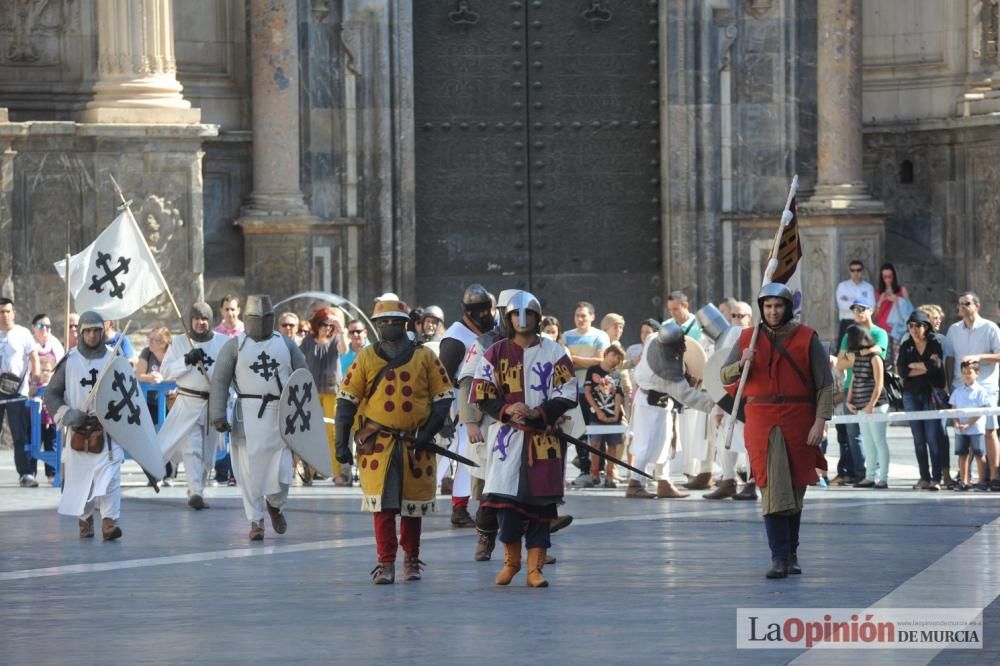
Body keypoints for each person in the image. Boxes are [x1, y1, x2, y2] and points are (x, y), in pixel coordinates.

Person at [334, 295, 453, 584]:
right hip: (379, 444)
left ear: (405, 324)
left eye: (394, 321)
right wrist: (341, 442)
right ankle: (386, 563)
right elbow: (347, 400)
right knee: (384, 508)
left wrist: (428, 431)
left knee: (412, 507)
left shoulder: (425, 356)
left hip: (416, 443)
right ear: (376, 325)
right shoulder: (366, 357)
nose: (389, 325)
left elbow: (443, 397)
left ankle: (411, 560)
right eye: (384, 321)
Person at [721, 283, 832, 579]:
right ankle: (778, 557)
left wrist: (820, 422)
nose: (772, 311)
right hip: (762, 419)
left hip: (799, 418)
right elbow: (724, 376)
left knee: (795, 489)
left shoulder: (807, 337)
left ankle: (792, 554)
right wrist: (742, 362)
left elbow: (824, 383)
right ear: (761, 308)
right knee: (770, 488)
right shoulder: (748, 337)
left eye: (778, 306)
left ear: (787, 307)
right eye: (767, 306)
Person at [472, 291, 577, 588]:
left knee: (542, 511)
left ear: (537, 318)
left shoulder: (554, 351)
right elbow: (482, 392)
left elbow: (568, 391)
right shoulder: (495, 352)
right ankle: (511, 563)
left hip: (544, 440)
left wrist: (540, 413)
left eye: (528, 314)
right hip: (508, 438)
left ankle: (535, 570)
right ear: (508, 319)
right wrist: (507, 409)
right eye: (516, 315)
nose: (522, 320)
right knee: (506, 508)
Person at [210, 295, 307, 541]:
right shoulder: (235, 346)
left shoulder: (286, 344)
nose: (261, 322)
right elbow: (220, 381)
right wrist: (218, 414)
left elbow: (303, 377)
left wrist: (304, 415)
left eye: (266, 318)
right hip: (247, 415)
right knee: (248, 474)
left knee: (282, 471)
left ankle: (275, 504)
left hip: (280, 415)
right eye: (257, 318)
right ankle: (256, 522)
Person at [43, 311, 125, 539]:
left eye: (95, 331)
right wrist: (68, 414)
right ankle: (85, 520)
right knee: (82, 482)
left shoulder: (113, 358)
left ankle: (109, 523)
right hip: (79, 429)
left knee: (111, 477)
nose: (91, 336)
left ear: (102, 331)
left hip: (107, 429)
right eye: (86, 331)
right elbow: (52, 395)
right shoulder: (69, 361)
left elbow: (127, 392)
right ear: (80, 332)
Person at [436, 284, 496, 527]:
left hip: (488, 402)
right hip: (463, 407)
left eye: (486, 309)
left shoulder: (491, 331)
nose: (484, 314)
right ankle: (459, 508)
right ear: (467, 310)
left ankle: (487, 507)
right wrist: (444, 416)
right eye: (478, 309)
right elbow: (441, 380)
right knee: (465, 456)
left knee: (487, 455)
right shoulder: (455, 338)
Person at [159, 303, 229, 510]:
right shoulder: (181, 343)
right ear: (191, 320)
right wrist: (186, 360)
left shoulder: (223, 343)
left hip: (212, 404)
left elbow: (230, 373)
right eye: (197, 318)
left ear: (211, 320)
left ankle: (198, 489)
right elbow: (165, 372)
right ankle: (195, 492)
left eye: (205, 318)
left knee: (207, 453)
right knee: (192, 448)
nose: (201, 322)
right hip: (188, 402)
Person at [945, 292, 1000, 490]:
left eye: (967, 303)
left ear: (977, 306)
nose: (963, 307)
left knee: (989, 431)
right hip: (961, 386)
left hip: (986, 385)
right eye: (960, 304)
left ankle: (994, 477)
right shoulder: (953, 330)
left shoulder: (990, 327)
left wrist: (979, 357)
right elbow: (950, 358)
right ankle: (966, 478)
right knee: (963, 431)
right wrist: (947, 382)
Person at [835, 296, 886, 485]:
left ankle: (878, 474)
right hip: (851, 388)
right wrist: (862, 354)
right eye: (855, 309)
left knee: (874, 437)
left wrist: (853, 355)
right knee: (852, 434)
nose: (858, 312)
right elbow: (840, 363)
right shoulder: (849, 334)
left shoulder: (879, 333)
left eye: (861, 309)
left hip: (871, 391)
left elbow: (878, 354)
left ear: (871, 310)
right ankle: (861, 473)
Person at [898, 310, 947, 490]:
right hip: (911, 394)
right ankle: (924, 477)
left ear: (925, 326)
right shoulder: (906, 345)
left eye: (917, 325)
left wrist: (915, 367)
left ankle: (936, 478)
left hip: (930, 394)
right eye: (910, 326)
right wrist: (924, 367)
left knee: (933, 437)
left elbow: (936, 366)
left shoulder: (935, 343)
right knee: (918, 439)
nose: (914, 329)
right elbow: (902, 371)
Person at [564, 301, 610, 486]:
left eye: (584, 315)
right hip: (575, 390)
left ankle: (601, 469)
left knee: (598, 431)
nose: (580, 319)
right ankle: (584, 469)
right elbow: (563, 362)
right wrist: (586, 361)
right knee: (580, 431)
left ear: (592, 316)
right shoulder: (566, 336)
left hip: (596, 391)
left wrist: (574, 359)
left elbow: (601, 361)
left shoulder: (600, 336)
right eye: (577, 315)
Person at [301, 307, 346, 485]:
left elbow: (343, 350)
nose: (328, 328)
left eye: (330, 325)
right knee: (312, 430)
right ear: (317, 324)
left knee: (332, 432)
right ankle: (310, 471)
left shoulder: (336, 339)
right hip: (311, 391)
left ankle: (336, 473)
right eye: (324, 324)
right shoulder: (307, 341)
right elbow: (299, 360)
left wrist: (341, 329)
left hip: (331, 391)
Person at [0, 297, 40, 487]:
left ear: (14, 313)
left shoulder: (23, 333)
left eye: (7, 311)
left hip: (17, 391)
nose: (4, 315)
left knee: (20, 435)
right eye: (1, 312)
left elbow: (34, 356)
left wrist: (37, 375)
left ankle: (25, 473)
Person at [845, 325, 890, 489]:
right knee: (868, 442)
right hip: (860, 404)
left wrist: (871, 404)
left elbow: (879, 384)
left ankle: (883, 478)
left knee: (879, 441)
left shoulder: (875, 357)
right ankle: (870, 476)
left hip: (876, 405)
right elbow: (854, 379)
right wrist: (849, 400)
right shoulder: (858, 356)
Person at [583, 342, 626, 487]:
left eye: (618, 358)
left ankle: (610, 474)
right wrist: (598, 411)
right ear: (606, 353)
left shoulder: (617, 374)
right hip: (596, 414)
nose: (615, 360)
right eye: (614, 355)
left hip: (613, 415)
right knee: (595, 444)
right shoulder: (593, 370)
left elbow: (619, 395)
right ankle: (593, 473)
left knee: (612, 445)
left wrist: (616, 414)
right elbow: (588, 392)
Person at [137, 325, 175, 487]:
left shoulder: (172, 354)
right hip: (150, 401)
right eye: (149, 339)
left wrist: (166, 379)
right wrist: (151, 377)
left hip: (169, 401)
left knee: (169, 435)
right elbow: (139, 375)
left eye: (155, 340)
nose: (150, 342)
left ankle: (169, 473)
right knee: (151, 437)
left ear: (164, 342)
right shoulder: (146, 353)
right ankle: (154, 473)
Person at [950, 360, 992, 491]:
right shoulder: (957, 391)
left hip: (976, 429)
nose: (966, 375)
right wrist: (957, 423)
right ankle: (964, 481)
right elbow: (953, 409)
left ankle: (981, 481)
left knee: (979, 454)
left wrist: (968, 424)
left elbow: (981, 411)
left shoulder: (981, 391)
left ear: (977, 374)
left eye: (970, 372)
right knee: (963, 454)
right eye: (964, 373)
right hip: (961, 430)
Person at [874, 263, 909, 367]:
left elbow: (909, 309)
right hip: (883, 329)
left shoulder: (901, 290)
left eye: (890, 276)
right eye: (885, 277)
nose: (888, 279)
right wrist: (881, 300)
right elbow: (874, 315)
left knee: (898, 358)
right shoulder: (878, 292)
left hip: (898, 329)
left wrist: (897, 300)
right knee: (885, 358)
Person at [835, 260, 876, 344]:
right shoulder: (842, 286)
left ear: (862, 270)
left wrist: (850, 300)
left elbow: (871, 307)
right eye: (853, 270)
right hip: (847, 323)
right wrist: (862, 303)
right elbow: (842, 306)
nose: (856, 273)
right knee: (844, 352)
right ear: (849, 271)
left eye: (858, 270)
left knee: (863, 352)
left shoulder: (868, 287)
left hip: (863, 323)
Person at [30, 313, 65, 393]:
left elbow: (61, 369)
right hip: (31, 389)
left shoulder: (57, 345)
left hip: (52, 389)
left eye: (48, 326)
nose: (44, 329)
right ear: (33, 327)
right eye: (40, 326)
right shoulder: (28, 344)